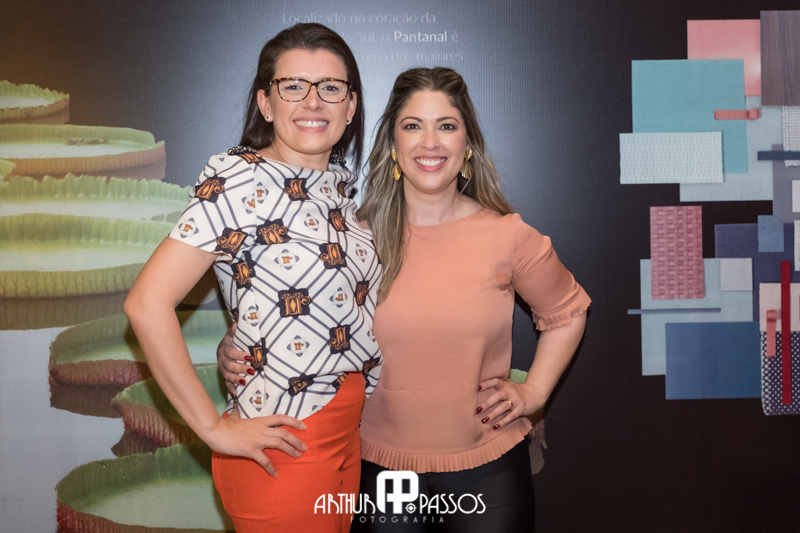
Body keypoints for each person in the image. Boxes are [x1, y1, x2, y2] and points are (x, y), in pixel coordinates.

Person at [218, 67, 590, 531]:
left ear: (467, 145)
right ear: (393, 146)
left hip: (489, 471)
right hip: (380, 472)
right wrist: (236, 344)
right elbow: (293, 322)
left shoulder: (507, 236)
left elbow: (567, 313)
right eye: (413, 126)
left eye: (446, 126)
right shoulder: (350, 241)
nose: (430, 142)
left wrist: (534, 392)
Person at [124, 23, 382, 533]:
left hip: (346, 435)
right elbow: (146, 304)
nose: (313, 101)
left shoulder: (341, 195)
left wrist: (244, 336)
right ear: (266, 102)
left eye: (331, 87)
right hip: (283, 441)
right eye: (294, 86)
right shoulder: (237, 180)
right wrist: (211, 427)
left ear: (350, 106)